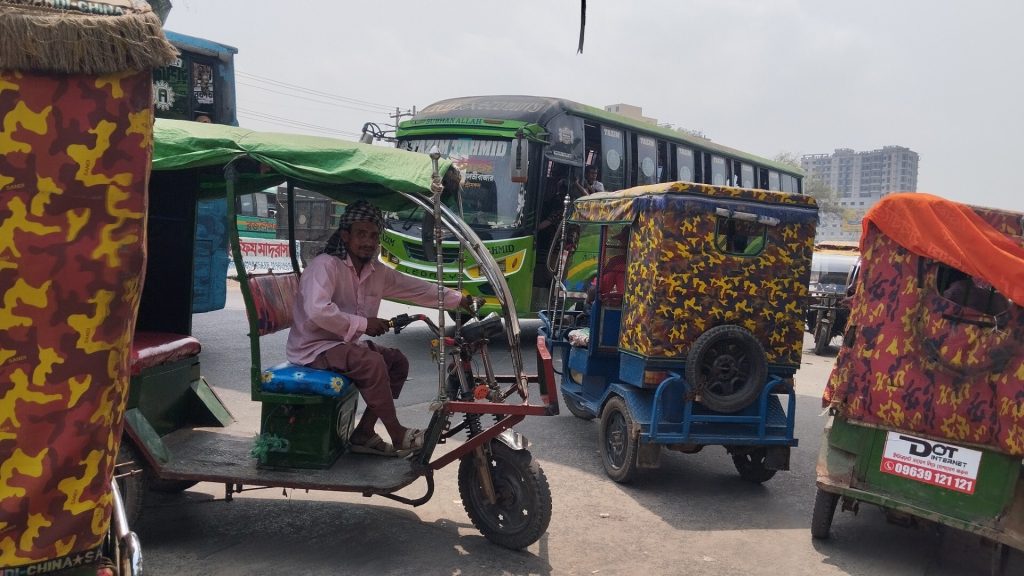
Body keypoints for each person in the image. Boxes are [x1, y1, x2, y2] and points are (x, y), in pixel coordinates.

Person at [286, 200, 474, 456]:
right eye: (361, 234)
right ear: (345, 235)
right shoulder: (326, 265)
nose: (368, 241)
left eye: (374, 235)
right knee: (372, 362)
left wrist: (457, 299)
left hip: (343, 346)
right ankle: (397, 434)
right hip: (312, 350)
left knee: (397, 362)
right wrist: (364, 324)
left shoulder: (375, 271)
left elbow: (415, 288)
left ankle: (364, 432)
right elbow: (318, 310)